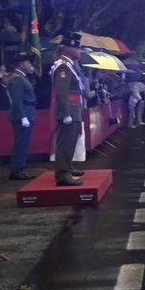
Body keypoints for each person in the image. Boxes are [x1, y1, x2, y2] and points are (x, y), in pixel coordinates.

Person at [50, 36, 86, 185]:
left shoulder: (70, 65)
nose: (78, 51)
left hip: (73, 107)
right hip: (69, 109)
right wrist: (66, 113)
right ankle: (62, 174)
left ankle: (68, 167)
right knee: (65, 142)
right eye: (76, 48)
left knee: (70, 141)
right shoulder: (63, 66)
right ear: (67, 49)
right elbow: (61, 92)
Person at [6, 52, 38, 180]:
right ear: (20, 64)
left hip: (27, 111)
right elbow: (17, 99)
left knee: (24, 143)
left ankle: (20, 168)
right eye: (27, 62)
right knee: (20, 143)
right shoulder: (17, 78)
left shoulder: (22, 77)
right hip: (22, 113)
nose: (29, 65)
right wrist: (22, 116)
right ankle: (17, 170)